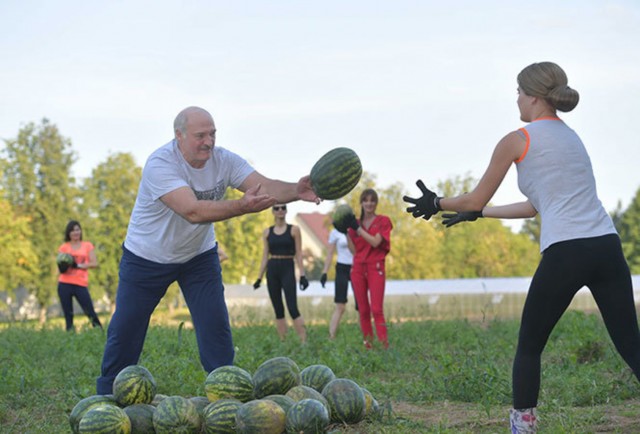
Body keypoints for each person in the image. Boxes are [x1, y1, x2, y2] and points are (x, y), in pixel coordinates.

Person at [402, 61, 640, 433]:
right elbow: (534, 206)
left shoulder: (519, 139)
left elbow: (474, 197)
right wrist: (483, 215)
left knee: (529, 346)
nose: (515, 98)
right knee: (631, 344)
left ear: (532, 97)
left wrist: (437, 203)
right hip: (606, 247)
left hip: (567, 252)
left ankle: (523, 426)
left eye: (517, 91)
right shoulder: (572, 137)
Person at [96, 106, 318, 394]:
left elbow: (265, 186)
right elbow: (193, 211)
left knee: (215, 325)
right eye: (200, 135)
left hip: (198, 257)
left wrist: (296, 191)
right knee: (126, 328)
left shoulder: (224, 161)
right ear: (179, 135)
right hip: (146, 257)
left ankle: (227, 393)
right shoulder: (161, 164)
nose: (209, 142)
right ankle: (108, 394)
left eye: (212, 134)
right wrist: (241, 206)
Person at [339, 189, 392, 349]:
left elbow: (376, 242)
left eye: (372, 200)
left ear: (376, 203)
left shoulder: (383, 221)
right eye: (365, 200)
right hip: (358, 268)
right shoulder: (355, 224)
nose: (369, 203)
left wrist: (358, 229)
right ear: (361, 203)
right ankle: (368, 345)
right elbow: (354, 251)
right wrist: (347, 233)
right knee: (363, 310)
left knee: (376, 309)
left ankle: (384, 345)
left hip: (376, 266)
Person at [253, 204, 309, 343]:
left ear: (286, 210)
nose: (280, 211)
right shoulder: (267, 232)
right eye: (276, 208)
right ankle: (283, 342)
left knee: (292, 307)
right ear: (272, 211)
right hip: (272, 269)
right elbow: (265, 255)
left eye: (283, 208)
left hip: (287, 267)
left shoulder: (294, 230)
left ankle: (303, 341)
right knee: (278, 308)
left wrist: (302, 275)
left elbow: (299, 254)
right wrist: (259, 277)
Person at [57, 220, 102, 332]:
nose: (75, 232)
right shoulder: (64, 247)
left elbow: (94, 263)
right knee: (68, 314)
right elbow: (60, 265)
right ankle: (70, 336)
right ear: (68, 233)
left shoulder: (87, 246)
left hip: (80, 283)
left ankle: (100, 332)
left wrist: (79, 265)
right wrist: (64, 265)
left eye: (77, 229)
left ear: (81, 231)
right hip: (65, 283)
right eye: (72, 230)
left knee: (89, 311)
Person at [320, 226, 355, 339]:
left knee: (361, 305)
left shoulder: (357, 229)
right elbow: (330, 253)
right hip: (341, 268)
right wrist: (325, 272)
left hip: (356, 267)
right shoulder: (335, 232)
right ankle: (331, 336)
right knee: (340, 304)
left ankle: (366, 336)